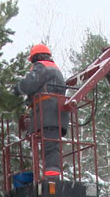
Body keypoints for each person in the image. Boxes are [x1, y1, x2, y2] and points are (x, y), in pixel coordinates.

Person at [12, 44, 68, 178]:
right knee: (52, 145)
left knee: (49, 147)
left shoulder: (42, 67)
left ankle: (51, 178)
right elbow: (43, 89)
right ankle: (52, 175)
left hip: (47, 113)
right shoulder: (56, 70)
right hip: (57, 115)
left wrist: (16, 90)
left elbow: (30, 84)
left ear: (35, 58)